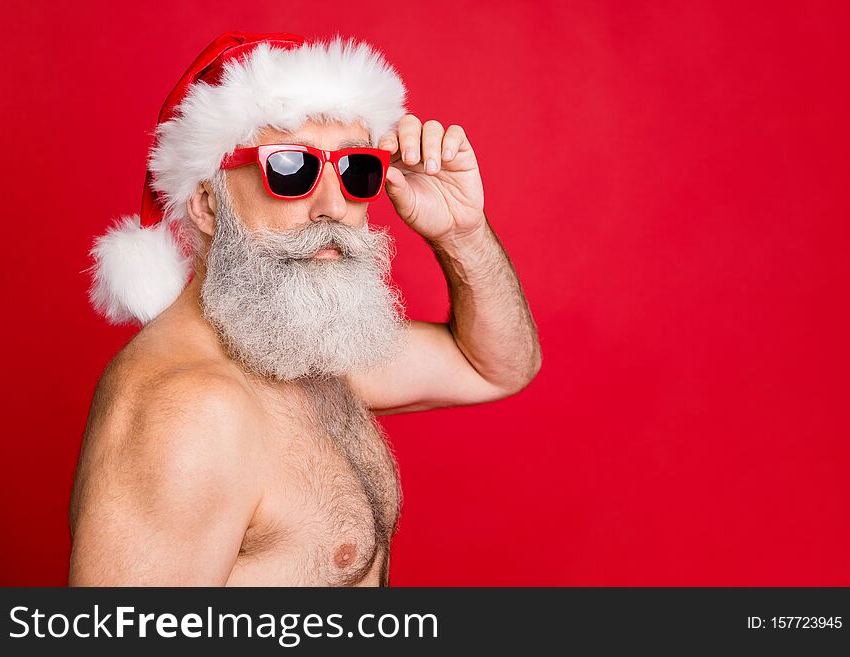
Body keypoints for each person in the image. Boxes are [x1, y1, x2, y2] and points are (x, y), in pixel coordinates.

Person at [68, 31, 541, 586]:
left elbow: (497, 367)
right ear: (206, 205)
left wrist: (462, 234)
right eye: (291, 168)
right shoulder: (191, 411)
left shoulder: (300, 347)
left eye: (355, 170)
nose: (334, 207)